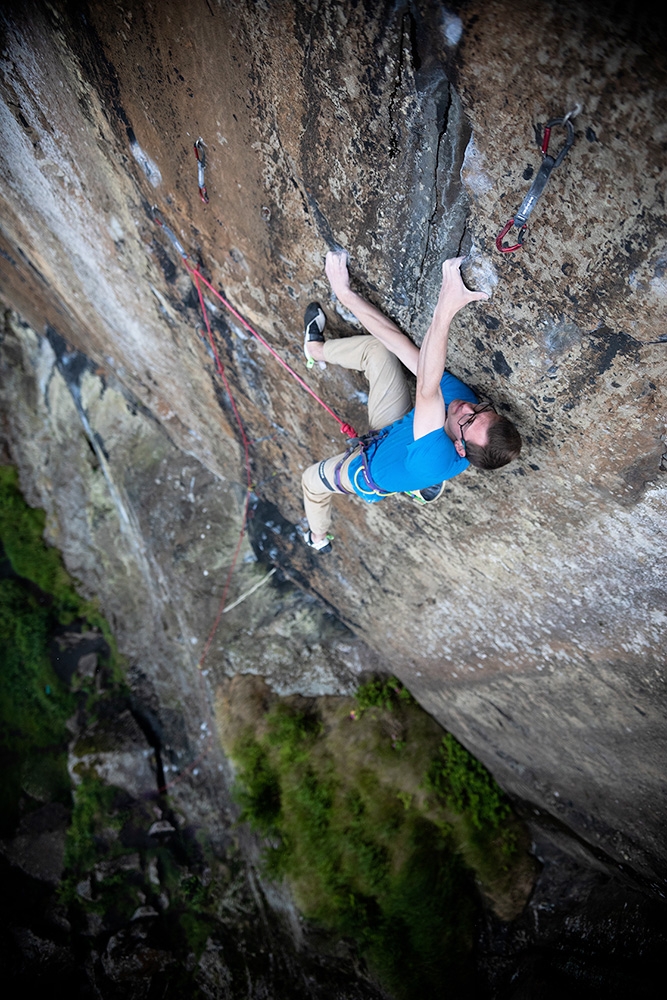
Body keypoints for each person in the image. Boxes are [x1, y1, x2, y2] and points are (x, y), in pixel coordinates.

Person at [301, 251, 522, 552]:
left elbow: (428, 392)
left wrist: (445, 307)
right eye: (483, 410)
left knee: (311, 482)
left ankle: (316, 539)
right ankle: (315, 351)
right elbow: (401, 346)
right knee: (379, 351)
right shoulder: (465, 406)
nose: (467, 407)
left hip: (369, 471)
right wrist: (345, 294)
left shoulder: (435, 454)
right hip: (400, 428)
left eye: (469, 420)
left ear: (460, 447)